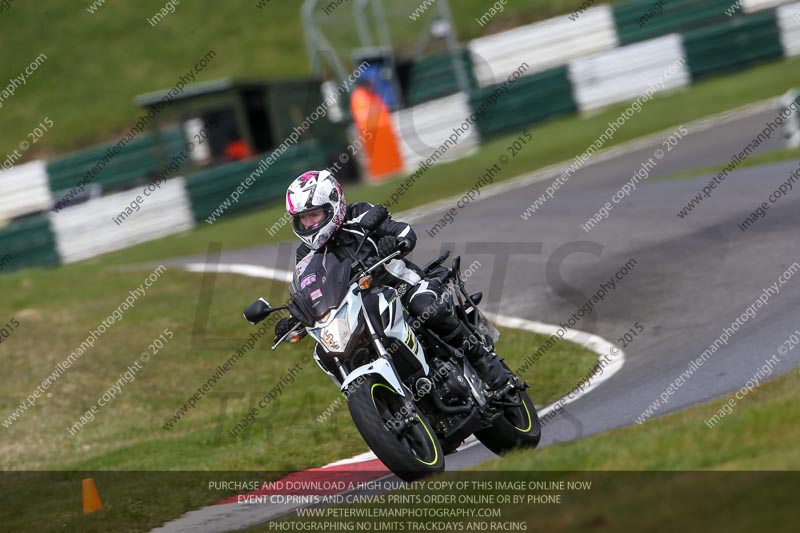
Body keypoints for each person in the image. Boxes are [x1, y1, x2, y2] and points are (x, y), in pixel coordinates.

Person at [275, 169, 510, 390]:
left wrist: (395, 241)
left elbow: (403, 230)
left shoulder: (358, 215)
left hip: (404, 288)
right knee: (330, 350)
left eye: (314, 215)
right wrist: (296, 316)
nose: (308, 224)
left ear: (334, 205)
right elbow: (310, 290)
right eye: (302, 218)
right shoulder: (305, 256)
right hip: (362, 309)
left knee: (426, 308)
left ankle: (483, 362)